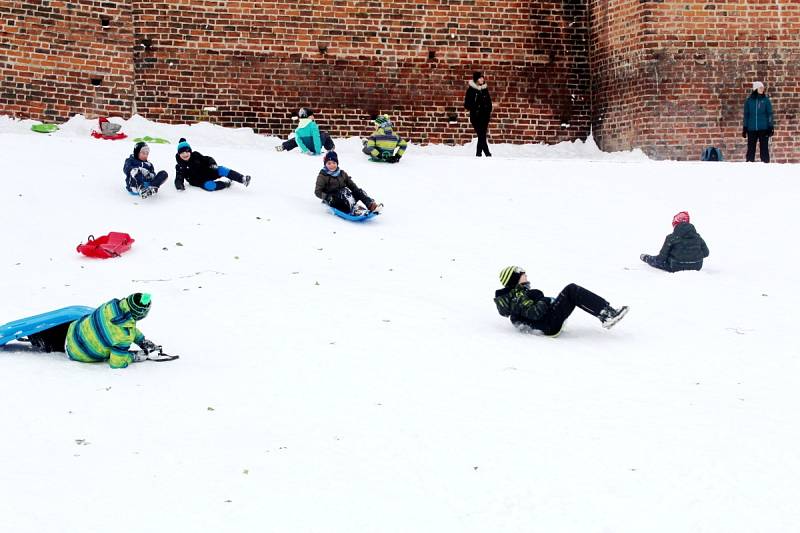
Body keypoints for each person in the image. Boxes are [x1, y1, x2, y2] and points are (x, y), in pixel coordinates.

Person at [26, 293, 159, 369]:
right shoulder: (124, 335)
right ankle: (43, 342)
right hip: (78, 352)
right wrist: (136, 356)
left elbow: (127, 327)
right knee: (62, 345)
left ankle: (38, 335)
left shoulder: (112, 305)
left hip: (74, 329)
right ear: (141, 315)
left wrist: (142, 340)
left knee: (68, 334)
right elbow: (116, 363)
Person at [494, 266, 629, 336]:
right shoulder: (517, 296)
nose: (526, 276)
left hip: (546, 323)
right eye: (523, 275)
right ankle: (607, 314)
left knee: (571, 292)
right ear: (515, 279)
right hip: (548, 324)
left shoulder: (516, 296)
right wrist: (546, 301)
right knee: (571, 290)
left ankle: (606, 314)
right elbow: (534, 313)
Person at [315, 151, 382, 215]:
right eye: (329, 163)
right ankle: (354, 210)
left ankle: (371, 205)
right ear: (325, 164)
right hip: (332, 199)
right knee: (343, 196)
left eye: (334, 163)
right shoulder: (322, 176)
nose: (332, 165)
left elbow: (351, 184)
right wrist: (327, 197)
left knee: (359, 191)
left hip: (345, 196)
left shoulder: (342, 173)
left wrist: (357, 192)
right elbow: (317, 191)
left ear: (337, 163)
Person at [640, 211, 709, 272]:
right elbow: (706, 253)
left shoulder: (671, 238)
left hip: (676, 267)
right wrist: (692, 256)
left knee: (657, 261)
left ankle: (646, 258)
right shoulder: (698, 237)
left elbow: (661, 259)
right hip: (696, 266)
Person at [174, 138, 251, 191]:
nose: (185, 154)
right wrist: (179, 185)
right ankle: (225, 184)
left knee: (222, 169)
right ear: (179, 154)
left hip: (208, 171)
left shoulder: (196, 155)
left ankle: (242, 179)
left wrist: (212, 164)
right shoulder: (180, 166)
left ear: (190, 152)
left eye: (187, 152)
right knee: (210, 186)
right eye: (182, 153)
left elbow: (207, 159)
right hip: (200, 181)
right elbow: (179, 177)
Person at [742, 81, 774, 163]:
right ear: (755, 89)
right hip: (751, 129)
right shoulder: (749, 101)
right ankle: (749, 165)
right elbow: (746, 115)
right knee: (751, 149)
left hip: (764, 128)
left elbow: (769, 114)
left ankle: (766, 165)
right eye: (760, 87)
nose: (763, 89)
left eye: (763, 87)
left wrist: (771, 126)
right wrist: (745, 128)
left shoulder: (766, 100)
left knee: (764, 149)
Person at [464, 71, 492, 157]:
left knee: (482, 136)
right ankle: (487, 153)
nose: (482, 79)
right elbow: (466, 105)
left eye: (483, 77)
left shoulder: (484, 89)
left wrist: (488, 110)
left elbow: (489, 101)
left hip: (485, 116)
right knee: (481, 135)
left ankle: (478, 154)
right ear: (476, 79)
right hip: (475, 117)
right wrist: (475, 106)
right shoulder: (471, 90)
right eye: (480, 78)